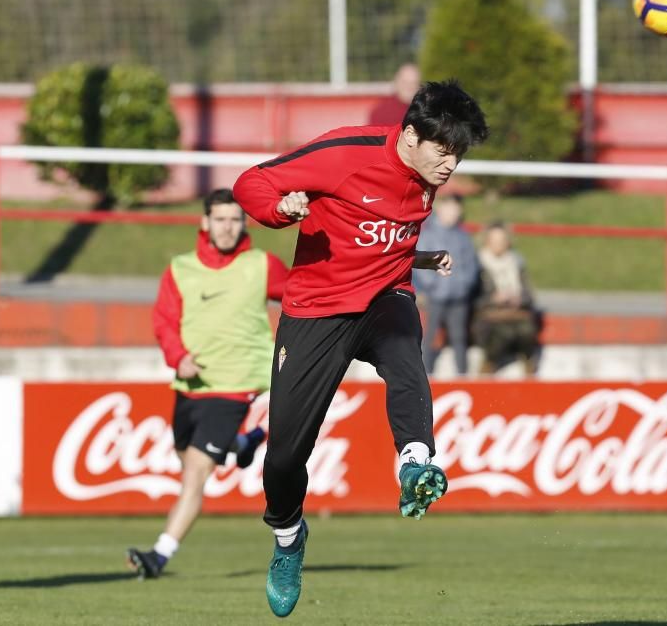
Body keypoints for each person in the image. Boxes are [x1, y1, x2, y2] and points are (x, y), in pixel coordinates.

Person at [233, 79, 489, 618]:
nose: (450, 167)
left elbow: (379, 236)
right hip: (316, 310)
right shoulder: (345, 153)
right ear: (411, 135)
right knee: (283, 459)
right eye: (444, 152)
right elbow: (250, 182)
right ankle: (287, 537)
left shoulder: (425, 174)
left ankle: (416, 465)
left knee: (405, 351)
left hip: (384, 297)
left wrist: (419, 261)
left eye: (459, 156)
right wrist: (283, 210)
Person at [127, 188, 288, 579]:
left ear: (244, 224)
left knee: (195, 474)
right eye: (220, 219)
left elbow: (303, 299)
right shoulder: (181, 268)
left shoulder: (261, 265)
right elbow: (164, 321)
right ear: (205, 223)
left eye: (235, 219)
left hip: (236, 386)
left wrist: (297, 348)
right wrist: (178, 357)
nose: (228, 227)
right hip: (190, 385)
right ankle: (242, 443)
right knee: (188, 460)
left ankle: (159, 555)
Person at [415, 193, 480, 375]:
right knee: (429, 336)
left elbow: (471, 264)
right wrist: (431, 286)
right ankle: (425, 373)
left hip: (459, 296)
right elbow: (419, 265)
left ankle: (462, 374)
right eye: (449, 208)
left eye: (456, 209)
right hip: (435, 296)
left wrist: (465, 285)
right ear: (440, 209)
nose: (453, 213)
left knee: (459, 337)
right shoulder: (427, 233)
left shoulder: (463, 235)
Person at [472, 222, 540, 376]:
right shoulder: (478, 264)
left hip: (515, 313)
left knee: (527, 330)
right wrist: (493, 299)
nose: (498, 244)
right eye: (494, 240)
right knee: (503, 333)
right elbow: (473, 297)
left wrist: (519, 298)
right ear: (486, 241)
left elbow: (529, 295)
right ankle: (488, 367)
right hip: (489, 316)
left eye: (502, 240)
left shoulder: (516, 262)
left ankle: (529, 370)